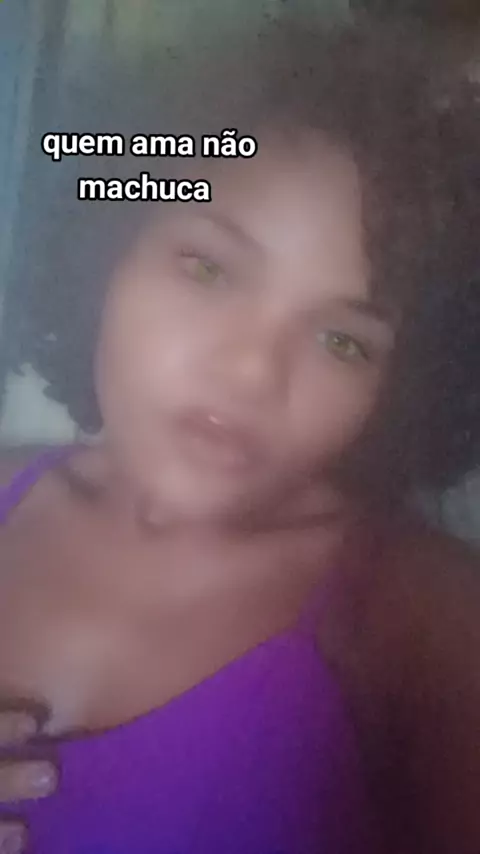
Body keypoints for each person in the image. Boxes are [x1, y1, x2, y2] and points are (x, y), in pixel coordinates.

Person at [0, 18, 480, 854]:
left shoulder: (423, 619)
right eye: (208, 268)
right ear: (105, 255)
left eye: (343, 340)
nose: (253, 370)